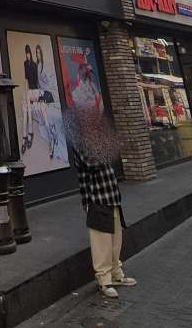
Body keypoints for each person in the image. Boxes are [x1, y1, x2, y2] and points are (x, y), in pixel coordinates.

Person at [64, 107, 135, 299]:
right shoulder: (81, 143)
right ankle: (104, 280)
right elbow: (94, 162)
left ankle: (116, 273)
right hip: (97, 199)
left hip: (112, 197)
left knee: (115, 240)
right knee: (101, 243)